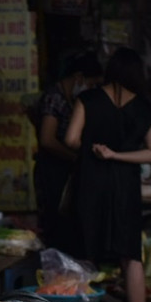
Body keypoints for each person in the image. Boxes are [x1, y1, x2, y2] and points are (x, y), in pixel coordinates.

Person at [64, 46, 151, 302]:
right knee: (130, 258)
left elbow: (70, 139)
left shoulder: (88, 99)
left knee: (84, 253)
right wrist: (119, 155)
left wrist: (95, 151)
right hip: (125, 187)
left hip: (90, 183)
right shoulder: (144, 108)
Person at [31, 50, 103, 251]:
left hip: (67, 170)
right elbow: (47, 140)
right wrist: (75, 157)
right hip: (52, 171)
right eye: (90, 84)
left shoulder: (73, 101)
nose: (92, 89)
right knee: (54, 227)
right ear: (79, 77)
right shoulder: (55, 98)